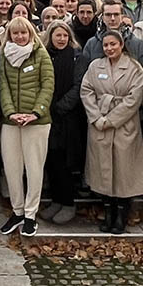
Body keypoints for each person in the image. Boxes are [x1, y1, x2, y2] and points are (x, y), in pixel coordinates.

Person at [80, 29, 143, 234]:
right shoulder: (95, 66)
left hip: (124, 126)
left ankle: (122, 215)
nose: (109, 48)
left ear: (121, 45)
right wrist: (96, 117)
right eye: (106, 45)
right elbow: (86, 90)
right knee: (103, 172)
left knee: (124, 172)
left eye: (113, 44)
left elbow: (133, 100)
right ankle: (108, 213)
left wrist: (111, 120)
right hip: (98, 124)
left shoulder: (134, 68)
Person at [0, 16, 55, 237]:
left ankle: (31, 214)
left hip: (37, 122)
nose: (20, 37)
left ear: (30, 33)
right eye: (15, 33)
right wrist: (11, 112)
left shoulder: (40, 55)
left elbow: (48, 85)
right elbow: (4, 87)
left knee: (33, 168)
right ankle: (17, 211)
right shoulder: (4, 57)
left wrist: (35, 112)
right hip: (11, 121)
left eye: (23, 33)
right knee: (12, 168)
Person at [40, 21, 88, 226]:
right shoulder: (45, 56)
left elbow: (79, 86)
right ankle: (56, 200)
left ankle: (68, 202)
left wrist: (61, 106)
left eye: (64, 36)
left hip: (68, 117)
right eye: (57, 35)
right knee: (52, 160)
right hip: (48, 116)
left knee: (65, 163)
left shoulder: (78, 57)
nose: (61, 39)